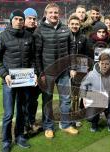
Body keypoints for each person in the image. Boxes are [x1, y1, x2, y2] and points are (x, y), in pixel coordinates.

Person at [0, 9, 37, 152]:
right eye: (16, 19)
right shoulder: (2, 37)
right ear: (11, 20)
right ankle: (6, 141)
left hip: (25, 80)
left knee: (22, 111)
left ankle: (19, 136)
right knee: (8, 113)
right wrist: (4, 75)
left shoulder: (29, 37)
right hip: (9, 81)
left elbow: (33, 58)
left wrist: (35, 73)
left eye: (21, 19)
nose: (19, 21)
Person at [33, 3, 78, 139]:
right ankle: (48, 126)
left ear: (59, 14)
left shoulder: (66, 29)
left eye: (56, 13)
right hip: (48, 73)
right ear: (46, 14)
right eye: (51, 12)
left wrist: (73, 67)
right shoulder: (39, 30)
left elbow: (72, 50)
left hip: (64, 72)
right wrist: (40, 73)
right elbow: (37, 54)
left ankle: (65, 124)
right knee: (48, 100)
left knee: (66, 99)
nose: (53, 15)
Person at [80, 53, 110, 132]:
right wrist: (84, 98)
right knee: (90, 117)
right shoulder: (91, 74)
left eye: (107, 64)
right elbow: (83, 86)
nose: (104, 66)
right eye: (102, 63)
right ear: (99, 63)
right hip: (97, 98)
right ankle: (94, 124)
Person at [23, 7, 41, 134]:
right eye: (29, 18)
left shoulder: (38, 33)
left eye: (34, 19)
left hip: (37, 73)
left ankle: (32, 122)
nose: (32, 21)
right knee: (24, 101)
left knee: (34, 100)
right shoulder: (19, 33)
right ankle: (24, 126)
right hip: (24, 73)